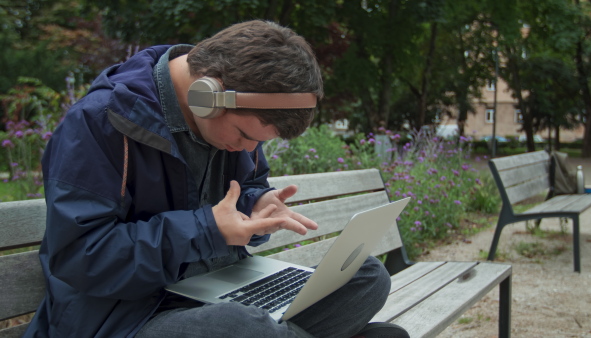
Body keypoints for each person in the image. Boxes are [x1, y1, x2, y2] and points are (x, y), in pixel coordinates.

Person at [24, 20, 409, 338]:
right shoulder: (98, 122)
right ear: (208, 94)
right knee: (243, 329)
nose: (246, 150)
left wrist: (255, 208)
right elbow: (78, 257)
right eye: (245, 136)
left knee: (367, 277)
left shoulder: (236, 124)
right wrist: (206, 230)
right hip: (123, 318)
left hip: (215, 294)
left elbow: (240, 196)